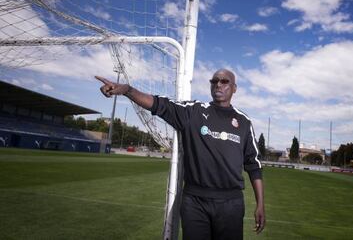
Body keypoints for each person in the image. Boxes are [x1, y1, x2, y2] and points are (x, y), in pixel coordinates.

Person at [96, 68, 265, 239]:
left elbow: (254, 165)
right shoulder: (193, 112)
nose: (218, 85)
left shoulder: (244, 121)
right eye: (214, 81)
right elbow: (158, 104)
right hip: (195, 203)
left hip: (231, 204)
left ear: (234, 88)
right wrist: (127, 90)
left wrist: (260, 204)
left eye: (224, 81)